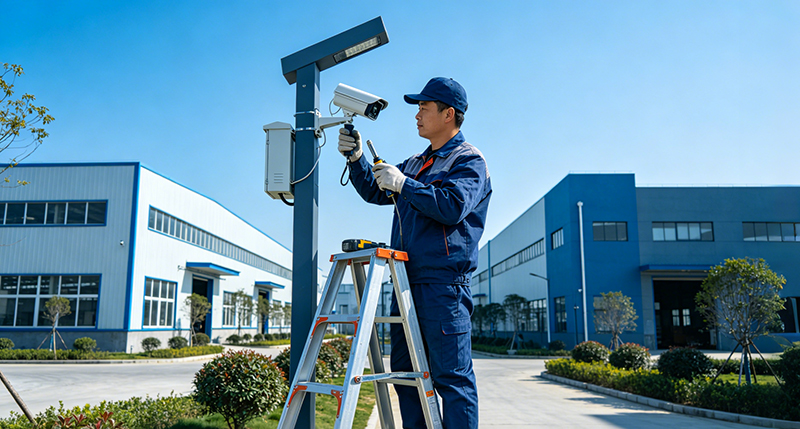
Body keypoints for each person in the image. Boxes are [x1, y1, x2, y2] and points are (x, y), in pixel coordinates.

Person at [338, 77, 490, 429]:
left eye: (424, 107)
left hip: (444, 286)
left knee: (452, 379)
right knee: (407, 375)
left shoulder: (469, 161)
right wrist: (357, 157)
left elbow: (452, 207)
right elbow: (377, 191)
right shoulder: (417, 162)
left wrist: (403, 183)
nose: (417, 114)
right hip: (405, 281)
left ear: (448, 114)